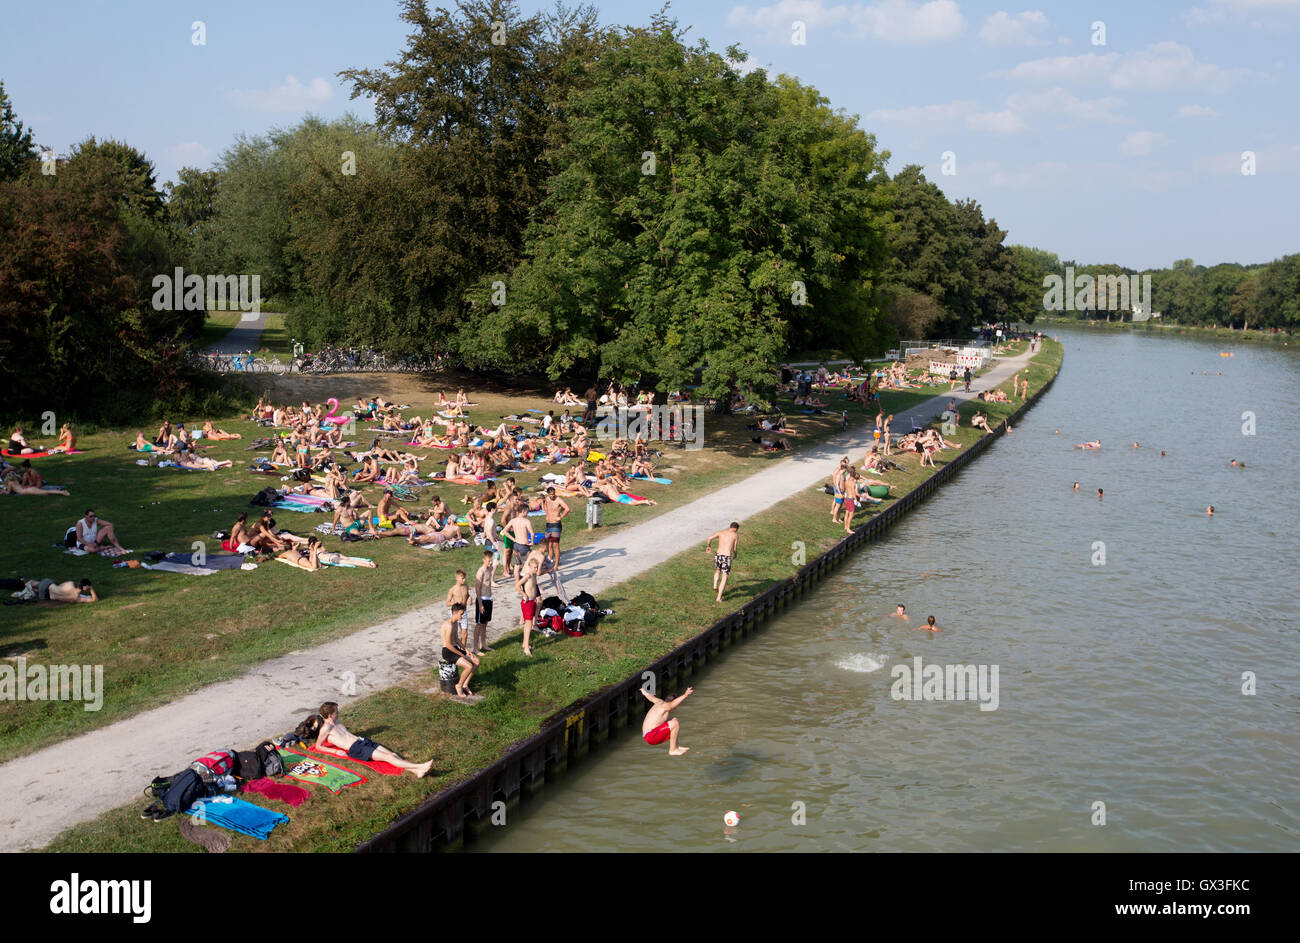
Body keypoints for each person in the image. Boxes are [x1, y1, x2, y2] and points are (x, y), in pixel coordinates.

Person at [307, 702, 432, 777]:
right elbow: (318, 746)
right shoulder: (325, 728)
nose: (338, 713)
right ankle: (420, 766)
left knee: (392, 754)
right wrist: (335, 752)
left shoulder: (336, 721)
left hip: (362, 741)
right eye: (336, 711)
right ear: (330, 715)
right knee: (389, 758)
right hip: (356, 748)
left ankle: (416, 771)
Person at [640, 685, 692, 756]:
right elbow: (672, 704)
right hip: (651, 736)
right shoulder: (666, 706)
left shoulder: (659, 702)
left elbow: (651, 697)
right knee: (675, 723)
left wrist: (644, 692)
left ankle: (676, 746)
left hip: (648, 734)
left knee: (673, 720)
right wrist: (685, 695)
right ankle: (672, 750)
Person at [440, 604, 480, 696]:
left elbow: (457, 639)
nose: (462, 616)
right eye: (461, 614)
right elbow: (449, 645)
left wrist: (466, 650)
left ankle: (465, 685)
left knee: (476, 662)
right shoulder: (449, 625)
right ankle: (459, 685)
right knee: (469, 666)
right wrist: (461, 654)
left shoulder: (455, 623)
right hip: (448, 651)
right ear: (454, 613)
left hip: (455, 648)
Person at [705, 522, 740, 603]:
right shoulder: (735, 535)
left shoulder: (721, 532)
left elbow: (709, 538)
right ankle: (719, 597)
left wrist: (708, 546)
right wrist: (735, 554)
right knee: (725, 576)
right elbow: (734, 548)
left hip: (718, 555)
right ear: (735, 528)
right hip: (726, 557)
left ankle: (715, 585)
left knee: (717, 570)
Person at [542, 487, 570, 569]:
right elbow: (546, 506)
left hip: (556, 524)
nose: (552, 495)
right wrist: (547, 514)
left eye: (553, 494)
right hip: (548, 524)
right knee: (549, 544)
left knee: (555, 544)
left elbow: (567, 509)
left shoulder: (559, 500)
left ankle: (556, 565)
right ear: (548, 494)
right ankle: (550, 561)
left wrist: (560, 517)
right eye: (551, 494)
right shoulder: (547, 499)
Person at [472, 550, 494, 656]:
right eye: (489, 561)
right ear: (484, 560)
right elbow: (477, 588)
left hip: (489, 599)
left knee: (485, 623)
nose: (491, 562)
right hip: (482, 600)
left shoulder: (490, 569)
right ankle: (475, 648)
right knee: (479, 625)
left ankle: (483, 645)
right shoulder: (480, 572)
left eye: (491, 560)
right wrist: (480, 604)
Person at [445, 570, 472, 649]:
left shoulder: (466, 586)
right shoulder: (452, 589)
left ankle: (463, 651)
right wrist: (455, 602)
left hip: (463, 612)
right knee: (453, 634)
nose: (464, 580)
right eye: (462, 578)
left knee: (464, 633)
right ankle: (452, 650)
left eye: (464, 578)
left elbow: (468, 595)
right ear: (457, 578)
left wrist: (470, 598)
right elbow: (447, 603)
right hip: (455, 613)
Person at [18, 578, 97, 603]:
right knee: (38, 591)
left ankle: (23, 583)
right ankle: (28, 589)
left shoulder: (70, 584)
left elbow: (59, 586)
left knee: (33, 583)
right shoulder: (77, 598)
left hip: (48, 586)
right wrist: (91, 589)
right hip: (46, 597)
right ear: (85, 588)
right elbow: (94, 600)